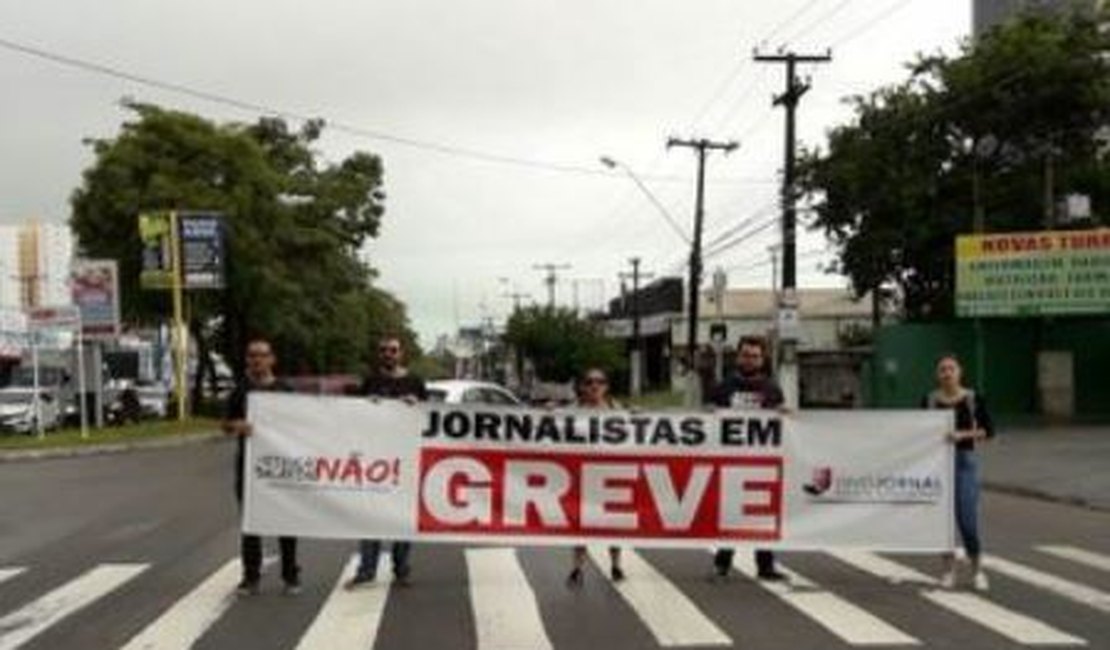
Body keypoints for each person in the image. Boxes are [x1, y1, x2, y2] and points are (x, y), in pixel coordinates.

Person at [345, 335, 427, 589]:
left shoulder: (415, 382)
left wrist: (417, 406)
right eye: (383, 350)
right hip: (375, 460)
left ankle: (401, 568)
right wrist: (365, 405)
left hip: (405, 458)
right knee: (370, 515)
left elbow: (428, 419)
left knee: (403, 517)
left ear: (401, 353)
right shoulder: (370, 381)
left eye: (393, 350)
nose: (388, 354)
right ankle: (367, 570)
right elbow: (354, 418)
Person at [705, 335, 788, 582]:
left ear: (763, 359)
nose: (749, 360)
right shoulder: (723, 387)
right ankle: (722, 563)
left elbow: (783, 423)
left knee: (763, 515)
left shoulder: (771, 388)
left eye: (755, 356)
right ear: (738, 356)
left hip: (762, 461)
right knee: (731, 513)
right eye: (745, 355)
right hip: (730, 460)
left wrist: (784, 414)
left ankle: (765, 565)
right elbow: (707, 419)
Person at [222, 337, 299, 596]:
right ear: (247, 360)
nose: (257, 360)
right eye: (252, 355)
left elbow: (300, 426)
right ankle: (250, 577)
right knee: (251, 523)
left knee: (285, 522)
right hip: (250, 467)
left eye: (262, 355)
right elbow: (225, 425)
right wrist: (237, 426)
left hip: (281, 467)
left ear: (271, 359)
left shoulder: (286, 391)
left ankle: (291, 576)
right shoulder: (240, 390)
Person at [923, 353, 995, 591]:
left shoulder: (973, 399)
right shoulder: (930, 400)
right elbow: (917, 430)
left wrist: (962, 435)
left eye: (951, 368)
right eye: (942, 369)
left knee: (968, 521)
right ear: (937, 374)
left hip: (965, 462)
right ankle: (948, 570)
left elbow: (988, 431)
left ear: (959, 372)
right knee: (942, 523)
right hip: (937, 465)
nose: (946, 373)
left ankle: (977, 570)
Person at [566, 367, 625, 588]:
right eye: (589, 382)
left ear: (606, 386)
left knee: (613, 523)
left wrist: (639, 415)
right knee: (580, 524)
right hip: (581, 475)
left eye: (599, 382)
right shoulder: (574, 409)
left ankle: (616, 565)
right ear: (583, 387)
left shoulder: (615, 408)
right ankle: (577, 568)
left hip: (611, 475)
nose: (594, 386)